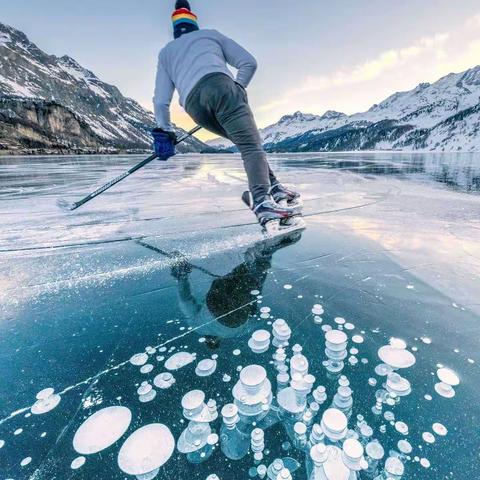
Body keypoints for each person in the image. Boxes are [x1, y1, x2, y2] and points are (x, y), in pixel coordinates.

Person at [152, 0, 302, 231]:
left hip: (194, 107)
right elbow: (248, 63)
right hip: (222, 88)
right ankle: (261, 200)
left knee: (246, 145)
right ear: (194, 23)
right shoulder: (210, 36)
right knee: (252, 147)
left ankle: (274, 187)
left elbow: (161, 101)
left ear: (175, 30)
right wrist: (238, 88)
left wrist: (165, 131)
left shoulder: (166, 53)